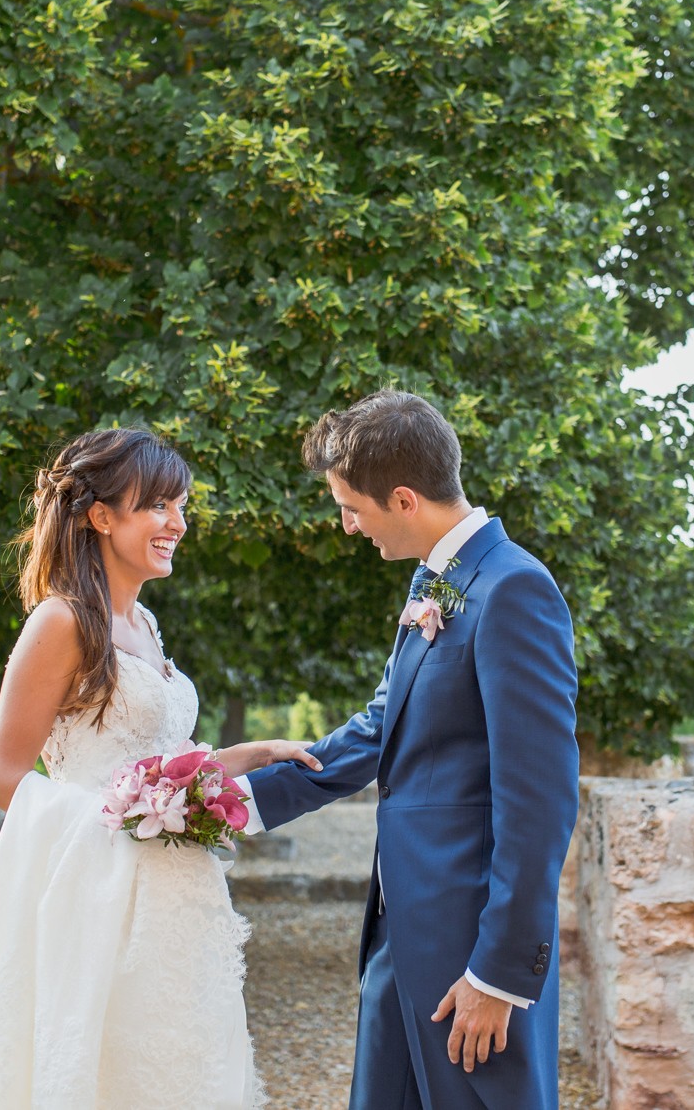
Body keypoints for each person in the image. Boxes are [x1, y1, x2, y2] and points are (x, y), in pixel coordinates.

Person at [0, 428, 318, 1110]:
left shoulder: (142, 622)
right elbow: (2, 777)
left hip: (179, 898)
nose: (178, 523)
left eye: (182, 506)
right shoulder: (60, 622)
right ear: (101, 515)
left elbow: (152, 766)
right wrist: (130, 812)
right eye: (159, 506)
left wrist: (245, 757)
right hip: (99, 899)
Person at [237, 390, 581, 1110]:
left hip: (470, 953)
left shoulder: (514, 588)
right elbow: (379, 727)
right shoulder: (440, 580)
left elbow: (540, 802)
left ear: (402, 497)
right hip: (400, 941)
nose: (346, 525)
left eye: (350, 507)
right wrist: (228, 804)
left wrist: (500, 973)